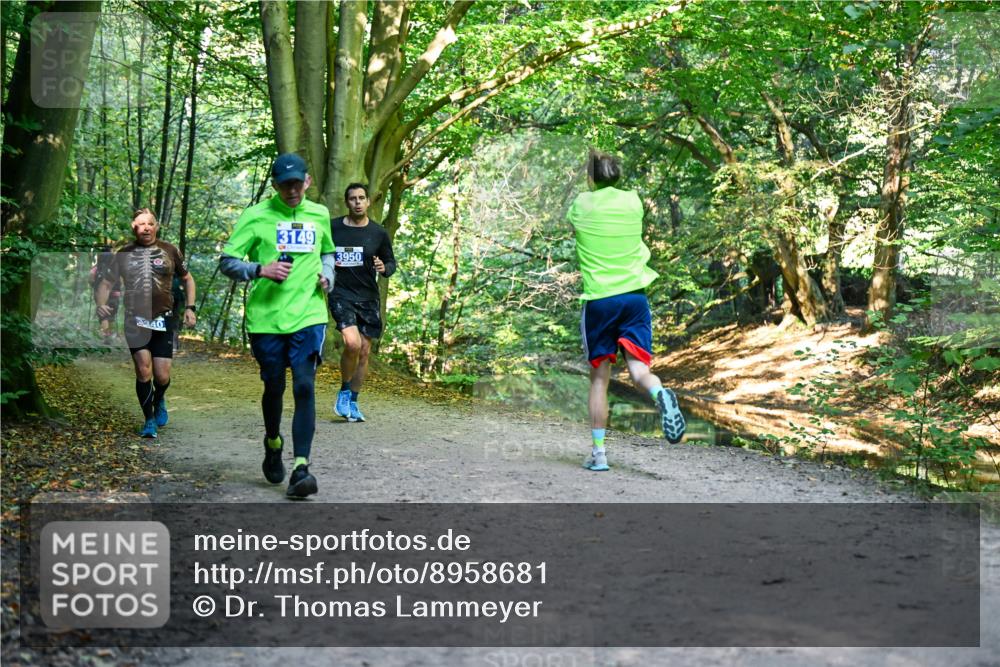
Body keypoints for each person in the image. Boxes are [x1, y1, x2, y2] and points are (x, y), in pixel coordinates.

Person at [219, 153, 335, 498]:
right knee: (274, 387)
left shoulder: (320, 214)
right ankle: (273, 441)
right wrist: (259, 269)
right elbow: (227, 261)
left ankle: (301, 468)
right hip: (267, 319)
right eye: (285, 185)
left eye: (297, 183)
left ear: (307, 182)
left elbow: (328, 252)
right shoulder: (256, 217)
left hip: (309, 315)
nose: (292, 190)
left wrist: (328, 275)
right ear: (274, 186)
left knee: (304, 385)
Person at [567, 151, 686, 472]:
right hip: (635, 297)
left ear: (591, 178)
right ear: (617, 176)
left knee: (599, 380)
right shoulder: (633, 201)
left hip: (600, 301)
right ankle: (659, 393)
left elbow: (576, 228)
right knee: (639, 372)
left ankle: (599, 454)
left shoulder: (581, 204)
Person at [95, 209, 197, 438]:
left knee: (162, 375)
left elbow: (188, 279)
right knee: (143, 370)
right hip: (135, 319)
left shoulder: (170, 250)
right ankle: (148, 419)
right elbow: (105, 284)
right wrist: (101, 308)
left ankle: (159, 399)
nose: (146, 228)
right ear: (134, 227)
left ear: (156, 226)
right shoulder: (123, 253)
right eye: (141, 224)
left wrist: (190, 308)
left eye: (150, 223)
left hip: (164, 318)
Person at [328, 183, 396, 423]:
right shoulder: (333, 227)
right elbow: (321, 253)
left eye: (361, 198)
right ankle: (344, 391)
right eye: (352, 199)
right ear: (346, 203)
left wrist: (384, 267)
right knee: (352, 343)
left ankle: (353, 402)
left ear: (368, 202)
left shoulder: (378, 233)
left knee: (365, 352)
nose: (357, 202)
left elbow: (391, 262)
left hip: (368, 296)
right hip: (341, 294)